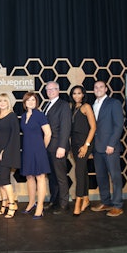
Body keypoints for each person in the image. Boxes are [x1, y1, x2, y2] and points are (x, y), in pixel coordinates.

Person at [91, 80, 124, 217]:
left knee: (115, 177)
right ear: (93, 90)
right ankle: (106, 202)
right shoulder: (93, 105)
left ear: (106, 89)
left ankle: (117, 205)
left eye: (101, 87)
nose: (98, 89)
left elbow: (118, 125)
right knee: (101, 176)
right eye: (96, 87)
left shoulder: (114, 103)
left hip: (110, 147)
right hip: (97, 148)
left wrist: (111, 144)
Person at [0, 93, 21, 219]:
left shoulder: (12, 116)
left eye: (4, 101)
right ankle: (4, 204)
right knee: (1, 181)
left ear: (8, 103)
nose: (2, 103)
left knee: (5, 180)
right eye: (0, 101)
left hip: (5, 153)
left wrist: (5, 151)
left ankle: (12, 204)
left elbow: (15, 136)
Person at [20, 92, 52, 219]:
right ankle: (32, 203)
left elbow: (48, 134)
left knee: (40, 177)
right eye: (28, 100)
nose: (31, 102)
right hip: (27, 149)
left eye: (33, 100)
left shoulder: (40, 115)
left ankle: (40, 207)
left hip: (38, 150)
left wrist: (42, 148)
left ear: (36, 102)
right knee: (29, 177)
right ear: (25, 102)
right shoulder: (23, 116)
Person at [43, 81, 72, 215]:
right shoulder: (47, 105)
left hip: (58, 147)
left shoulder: (64, 105)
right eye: (48, 90)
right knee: (52, 177)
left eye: (53, 89)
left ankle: (64, 204)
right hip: (48, 147)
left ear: (58, 90)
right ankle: (54, 201)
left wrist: (62, 147)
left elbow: (66, 127)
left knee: (60, 177)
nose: (50, 91)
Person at [69, 85, 96, 216]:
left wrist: (86, 145)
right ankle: (86, 199)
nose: (76, 96)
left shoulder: (86, 107)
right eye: (74, 93)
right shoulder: (73, 107)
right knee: (83, 171)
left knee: (79, 172)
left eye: (79, 93)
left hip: (84, 143)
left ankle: (78, 202)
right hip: (74, 143)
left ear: (83, 94)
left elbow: (93, 127)